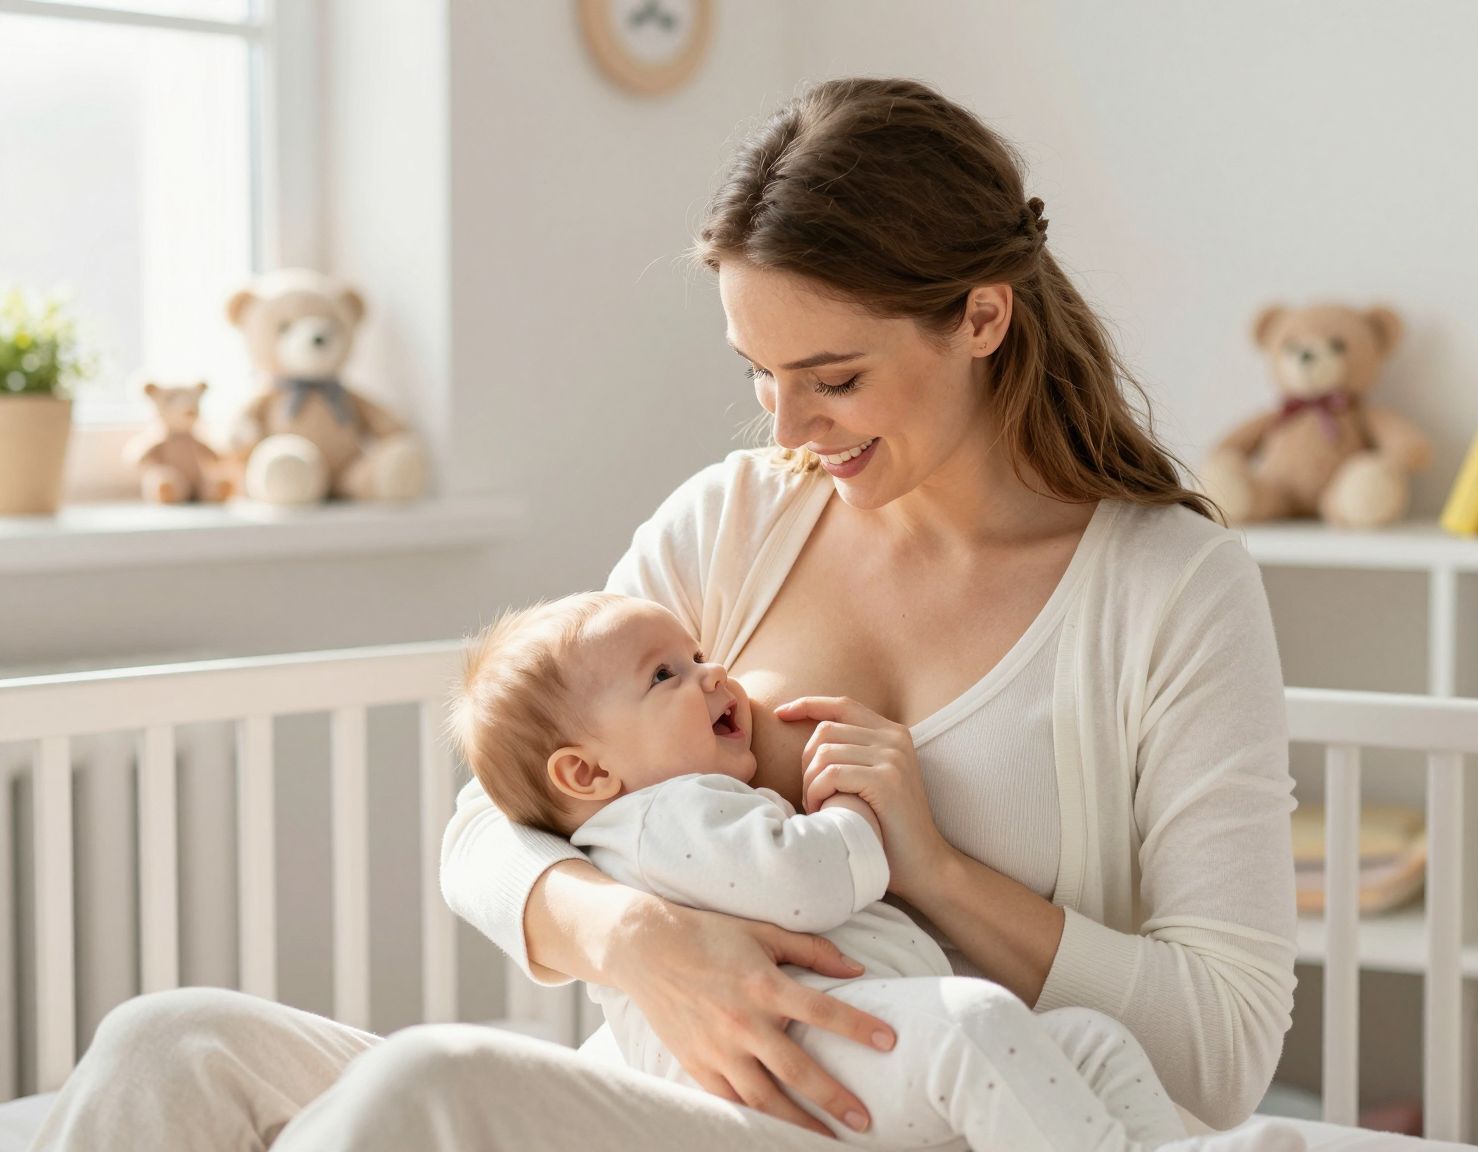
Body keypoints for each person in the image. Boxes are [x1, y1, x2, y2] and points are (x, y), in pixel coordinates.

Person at [31, 76, 1299, 1151]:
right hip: (667, 1096)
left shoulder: (1163, 588)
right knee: (169, 1043)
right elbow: (494, 815)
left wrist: (933, 870)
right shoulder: (737, 519)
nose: (787, 428)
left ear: (980, 315)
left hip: (897, 1115)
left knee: (430, 1094)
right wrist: (633, 938)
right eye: (757, 374)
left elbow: (1224, 1049)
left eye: (833, 378)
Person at [445, 589, 1294, 1152]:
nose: (711, 673)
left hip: (852, 1040)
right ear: (587, 775)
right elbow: (808, 881)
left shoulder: (682, 797)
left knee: (1088, 1042)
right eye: (667, 675)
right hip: (791, 1065)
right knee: (976, 1026)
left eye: (699, 653)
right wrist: (856, 812)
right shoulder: (665, 817)